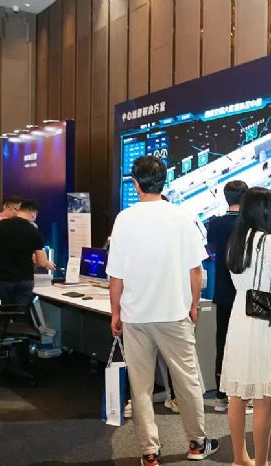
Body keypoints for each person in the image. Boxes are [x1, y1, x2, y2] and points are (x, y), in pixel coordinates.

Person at [106, 156, 218, 466]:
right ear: (164, 181)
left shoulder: (124, 219)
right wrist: (194, 305)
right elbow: (195, 270)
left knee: (140, 386)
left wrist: (115, 313)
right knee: (187, 380)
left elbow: (116, 277)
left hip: (135, 317)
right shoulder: (182, 217)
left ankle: (149, 452)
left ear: (135, 184)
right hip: (174, 314)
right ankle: (197, 443)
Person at [220, 187, 271, 466]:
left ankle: (240, 458)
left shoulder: (236, 240)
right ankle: (261, 463)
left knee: (237, 395)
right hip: (262, 319)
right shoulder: (269, 241)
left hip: (240, 315)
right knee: (262, 399)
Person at [206, 179, 249, 413]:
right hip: (245, 295)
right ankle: (241, 396)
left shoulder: (215, 224)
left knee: (222, 342)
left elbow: (212, 250)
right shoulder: (249, 225)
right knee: (244, 345)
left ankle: (220, 397)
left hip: (222, 293)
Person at [0, 200, 55, 323]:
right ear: (33, 213)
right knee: (20, 314)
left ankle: (3, 332)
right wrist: (47, 263)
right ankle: (18, 332)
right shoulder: (34, 232)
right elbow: (42, 261)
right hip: (25, 280)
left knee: (3, 313)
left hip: (3, 279)